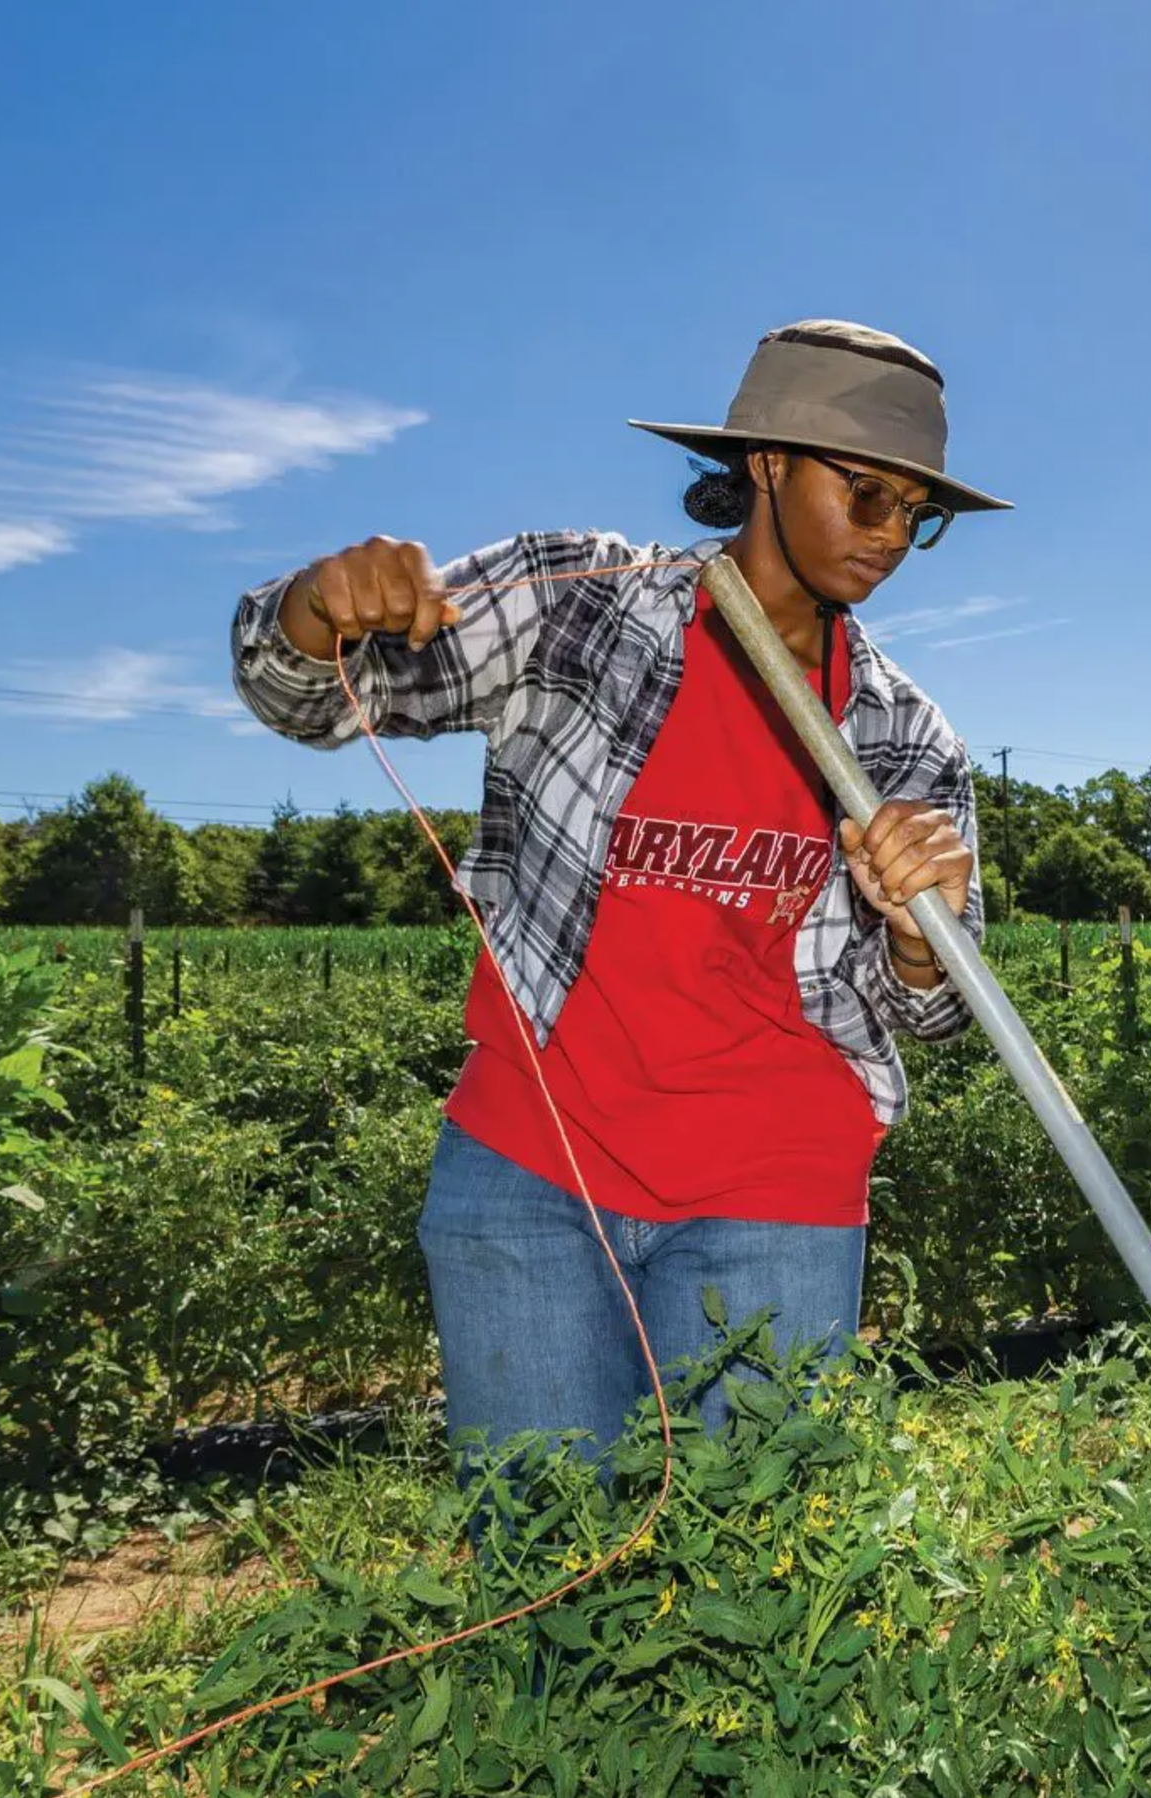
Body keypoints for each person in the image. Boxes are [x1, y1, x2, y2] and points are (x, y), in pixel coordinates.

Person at [227, 320, 1002, 1503]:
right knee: (539, 1568)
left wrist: (918, 939)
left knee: (765, 1581)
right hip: (531, 1176)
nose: (891, 535)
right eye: (867, 493)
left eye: (916, 511)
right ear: (767, 465)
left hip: (776, 1196)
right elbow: (310, 698)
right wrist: (312, 610)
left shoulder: (904, 735)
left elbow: (935, 1011)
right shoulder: (582, 613)